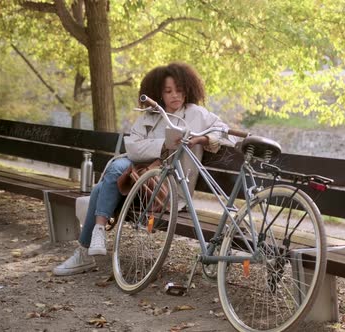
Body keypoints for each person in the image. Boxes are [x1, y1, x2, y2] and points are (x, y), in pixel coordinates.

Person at [53, 62, 234, 276]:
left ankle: (85, 250)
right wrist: (164, 144)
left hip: (166, 190)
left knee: (99, 190)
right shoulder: (149, 115)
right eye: (168, 91)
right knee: (116, 168)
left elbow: (226, 134)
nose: (175, 95)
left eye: (179, 90)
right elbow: (132, 147)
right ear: (158, 93)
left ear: (188, 89)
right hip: (136, 181)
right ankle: (96, 235)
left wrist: (202, 139)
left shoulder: (196, 114)